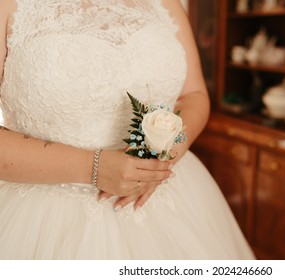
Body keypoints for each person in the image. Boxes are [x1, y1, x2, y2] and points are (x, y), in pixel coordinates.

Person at [0, 0, 255, 259]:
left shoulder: (167, 4)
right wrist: (94, 167)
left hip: (167, 195)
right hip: (46, 215)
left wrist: (161, 154)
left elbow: (194, 94)